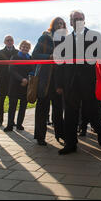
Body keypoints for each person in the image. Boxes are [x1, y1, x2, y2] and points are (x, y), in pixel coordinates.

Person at [55, 10, 101, 154]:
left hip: (89, 82)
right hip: (70, 83)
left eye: (80, 18)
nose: (78, 21)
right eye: (75, 19)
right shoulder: (65, 40)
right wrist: (59, 84)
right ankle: (71, 144)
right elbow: (60, 64)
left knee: (91, 111)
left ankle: (99, 128)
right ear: (71, 22)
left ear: (84, 21)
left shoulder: (95, 36)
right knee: (70, 114)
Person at [32, 17, 67, 145]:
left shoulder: (66, 41)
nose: (59, 25)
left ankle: (60, 134)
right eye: (57, 23)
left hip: (59, 80)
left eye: (62, 24)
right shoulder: (45, 38)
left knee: (58, 109)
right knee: (42, 108)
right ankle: (40, 137)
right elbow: (34, 55)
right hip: (45, 79)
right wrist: (49, 57)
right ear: (53, 25)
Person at [4, 40, 34, 133]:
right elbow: (12, 70)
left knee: (23, 106)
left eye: (27, 47)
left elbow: (33, 70)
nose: (25, 48)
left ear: (29, 49)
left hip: (25, 85)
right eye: (23, 47)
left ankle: (19, 124)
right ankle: (9, 125)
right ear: (20, 47)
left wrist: (27, 80)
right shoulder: (15, 57)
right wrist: (22, 79)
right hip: (15, 84)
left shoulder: (30, 58)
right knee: (12, 106)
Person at [0, 35, 18, 127]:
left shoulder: (17, 53)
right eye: (7, 40)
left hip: (13, 80)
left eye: (11, 40)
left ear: (13, 41)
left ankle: (11, 121)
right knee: (1, 101)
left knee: (13, 102)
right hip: (3, 80)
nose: (9, 41)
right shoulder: (0, 53)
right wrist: (0, 76)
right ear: (4, 42)